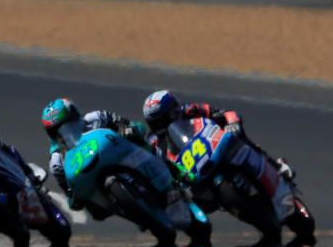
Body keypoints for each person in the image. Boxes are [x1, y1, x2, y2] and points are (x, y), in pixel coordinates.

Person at [141, 90, 295, 181]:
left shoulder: (191, 110)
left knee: (240, 136)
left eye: (167, 117)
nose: (165, 124)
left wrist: (232, 124)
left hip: (215, 145)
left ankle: (276, 166)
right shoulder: (154, 141)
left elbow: (226, 113)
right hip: (191, 174)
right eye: (158, 122)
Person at [41, 98, 145, 215]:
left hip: (118, 155)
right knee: (96, 212)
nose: (67, 131)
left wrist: (127, 131)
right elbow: (70, 194)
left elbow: (133, 126)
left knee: (142, 139)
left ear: (75, 113)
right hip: (92, 181)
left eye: (69, 123)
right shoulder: (56, 161)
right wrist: (74, 196)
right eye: (57, 130)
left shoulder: (97, 117)